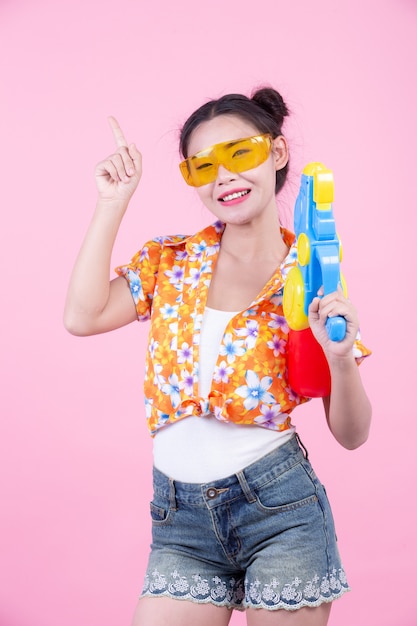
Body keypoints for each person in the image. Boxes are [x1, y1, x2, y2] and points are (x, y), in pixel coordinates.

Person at [64, 86, 372, 626]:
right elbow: (82, 316)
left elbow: (351, 433)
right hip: (180, 520)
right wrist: (113, 202)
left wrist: (340, 358)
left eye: (240, 154)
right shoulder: (170, 261)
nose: (223, 176)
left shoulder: (309, 280)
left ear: (276, 154)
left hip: (281, 513)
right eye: (203, 166)